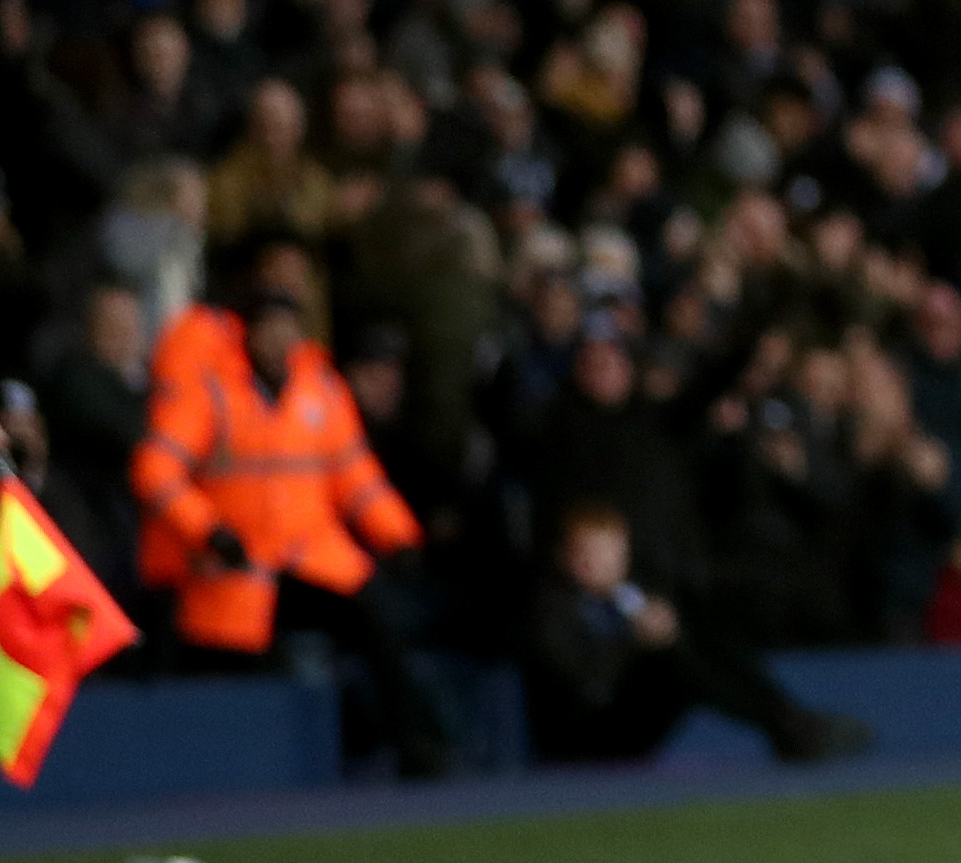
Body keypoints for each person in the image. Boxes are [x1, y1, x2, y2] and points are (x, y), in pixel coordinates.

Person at [132, 284, 451, 774]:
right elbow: (155, 470)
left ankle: (419, 744)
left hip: (311, 561)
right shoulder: (212, 389)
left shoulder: (319, 387)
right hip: (238, 565)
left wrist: (399, 536)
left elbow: (356, 477)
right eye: (268, 326)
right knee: (228, 668)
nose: (280, 337)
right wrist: (208, 530)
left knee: (377, 619)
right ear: (249, 333)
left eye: (288, 325)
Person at [527, 502, 872, 764]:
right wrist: (637, 642)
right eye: (594, 553)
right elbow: (585, 684)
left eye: (613, 552)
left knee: (698, 637)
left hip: (629, 720)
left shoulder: (631, 597)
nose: (605, 564)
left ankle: (788, 718)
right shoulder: (551, 611)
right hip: (584, 737)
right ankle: (787, 724)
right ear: (568, 557)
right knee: (672, 656)